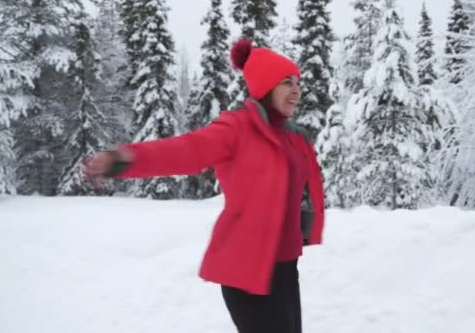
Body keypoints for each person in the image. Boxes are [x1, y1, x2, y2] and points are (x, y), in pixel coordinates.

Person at [83, 39, 326, 333]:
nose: (296, 90)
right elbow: (185, 150)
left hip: (286, 267)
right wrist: (126, 160)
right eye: (287, 82)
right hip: (247, 269)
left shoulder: (292, 137)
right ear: (266, 86)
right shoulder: (237, 129)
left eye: (298, 82)